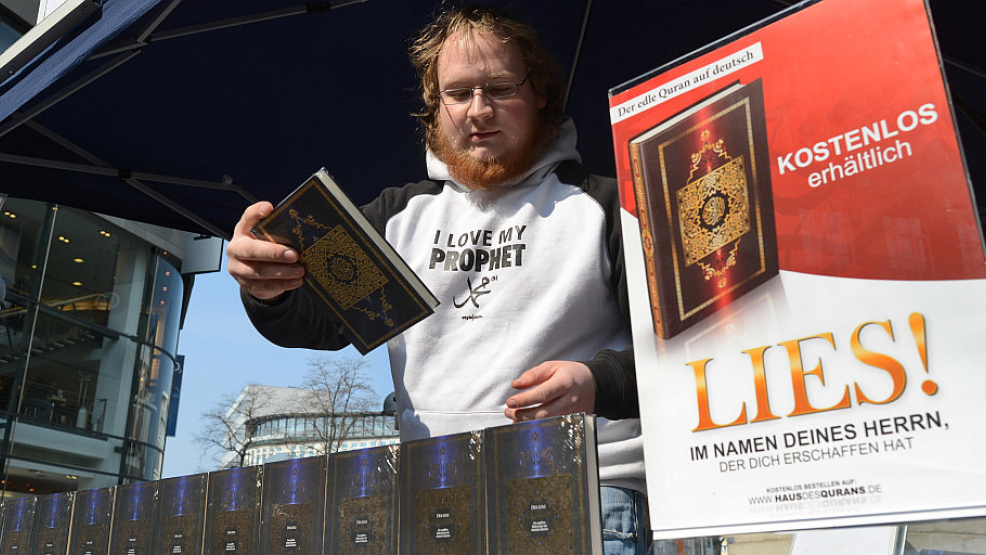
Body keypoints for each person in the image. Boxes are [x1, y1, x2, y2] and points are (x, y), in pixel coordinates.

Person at [227, 6, 649, 554]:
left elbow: (689, 352)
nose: (479, 111)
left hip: (588, 492)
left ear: (540, 91)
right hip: (432, 498)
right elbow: (314, 323)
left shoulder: (607, 206)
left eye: (499, 87)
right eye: (458, 93)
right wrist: (267, 286)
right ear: (434, 104)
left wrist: (601, 381)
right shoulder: (396, 218)